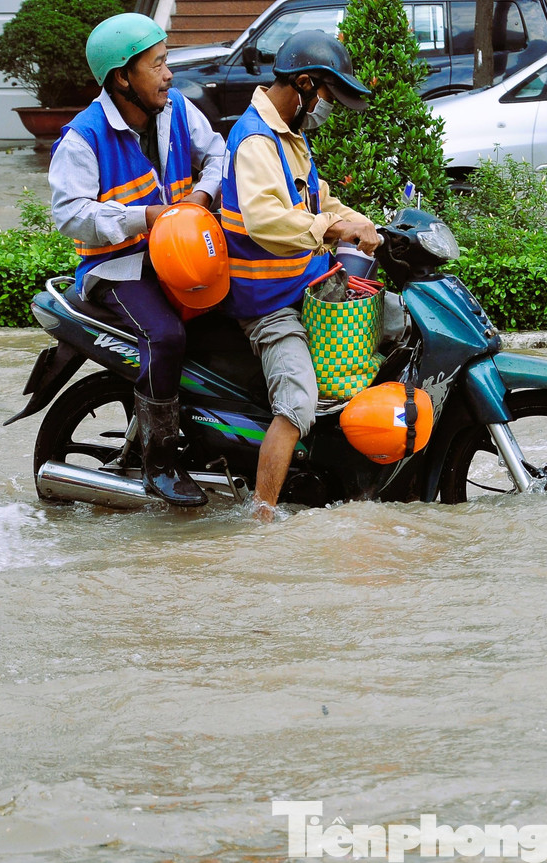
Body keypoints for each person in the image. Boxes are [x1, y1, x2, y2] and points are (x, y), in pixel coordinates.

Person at [50, 13, 226, 506]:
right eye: (158, 64)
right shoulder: (83, 137)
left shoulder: (177, 112)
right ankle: (160, 463)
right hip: (117, 269)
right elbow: (70, 216)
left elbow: (218, 155)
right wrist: (143, 217)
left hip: (180, 258)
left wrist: (202, 199)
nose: (169, 74)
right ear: (122, 77)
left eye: (167, 62)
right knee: (165, 337)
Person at [219, 30, 381, 520]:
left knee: (394, 327)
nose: (327, 108)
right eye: (327, 96)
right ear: (305, 84)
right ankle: (263, 515)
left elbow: (320, 198)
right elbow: (266, 218)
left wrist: (368, 223)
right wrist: (334, 229)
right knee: (297, 402)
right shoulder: (255, 142)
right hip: (269, 305)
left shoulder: (291, 136)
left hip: (304, 287)